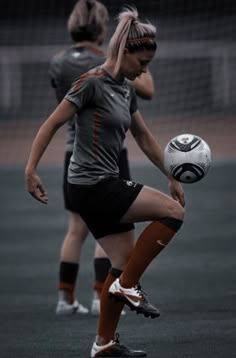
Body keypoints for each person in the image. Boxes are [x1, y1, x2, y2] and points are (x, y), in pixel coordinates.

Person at [25, 6, 185, 357]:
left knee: (119, 262)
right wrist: (31, 169)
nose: (144, 71)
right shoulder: (91, 82)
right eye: (141, 63)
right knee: (173, 213)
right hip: (90, 185)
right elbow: (50, 124)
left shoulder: (125, 90)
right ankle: (129, 287)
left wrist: (171, 176)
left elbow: (144, 138)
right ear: (123, 51)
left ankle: (104, 343)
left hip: (103, 183)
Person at [48, 0, 155, 316]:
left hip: (73, 151)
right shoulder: (108, 60)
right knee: (111, 220)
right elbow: (147, 89)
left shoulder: (57, 62)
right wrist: (141, 56)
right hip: (109, 151)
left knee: (76, 228)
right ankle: (100, 296)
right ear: (103, 29)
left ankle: (65, 299)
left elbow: (63, 106)